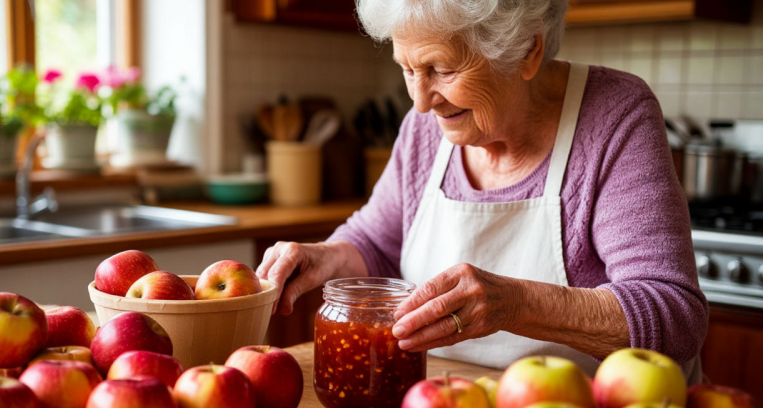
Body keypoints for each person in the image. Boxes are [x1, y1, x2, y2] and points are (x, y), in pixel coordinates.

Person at [257, 0, 707, 381]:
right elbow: (377, 240)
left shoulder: (615, 116)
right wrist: (325, 256)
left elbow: (674, 314)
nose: (419, 101)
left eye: (442, 69)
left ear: (528, 51)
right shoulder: (425, 127)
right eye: (408, 69)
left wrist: (512, 305)